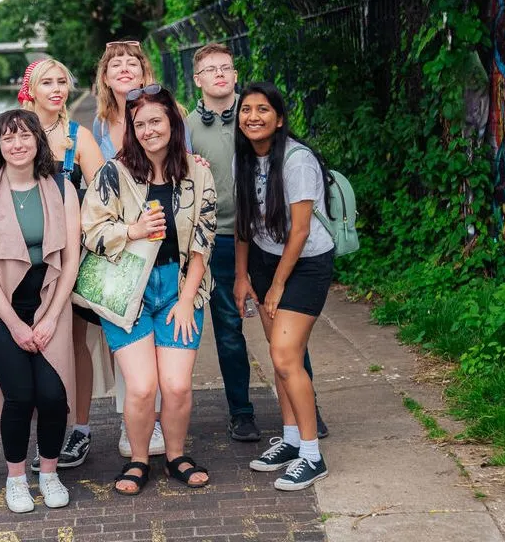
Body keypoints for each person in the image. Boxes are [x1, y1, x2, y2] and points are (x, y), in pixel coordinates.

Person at [81, 84, 218, 495]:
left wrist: (187, 299)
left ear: (173, 123)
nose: (148, 130)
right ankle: (139, 459)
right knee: (142, 387)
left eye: (156, 121)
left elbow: (203, 241)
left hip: (179, 285)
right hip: (129, 292)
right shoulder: (114, 173)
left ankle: (176, 455)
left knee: (176, 385)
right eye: (140, 124)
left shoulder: (198, 171)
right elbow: (91, 231)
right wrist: (133, 230)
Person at [189, 43, 328, 441]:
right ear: (197, 79)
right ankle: (242, 413)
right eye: (210, 69)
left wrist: (279, 278)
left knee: (287, 334)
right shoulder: (187, 126)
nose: (219, 74)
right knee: (230, 329)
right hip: (223, 239)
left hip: (278, 248)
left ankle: (308, 412)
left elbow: (299, 227)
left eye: (226, 68)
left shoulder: (259, 121)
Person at [0, 109, 81, 513]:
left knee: (52, 395)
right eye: (8, 138)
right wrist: (15, 325)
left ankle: (48, 473)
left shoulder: (62, 189)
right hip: (0, 309)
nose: (17, 144)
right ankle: (16, 479)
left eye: (25, 136)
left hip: (50, 300)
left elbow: (71, 260)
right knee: (21, 394)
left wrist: (49, 318)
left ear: (38, 141)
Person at [232, 82, 335, 491]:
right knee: (279, 359)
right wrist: (242, 276)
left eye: (262, 110)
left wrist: (276, 286)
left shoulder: (297, 160)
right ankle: (291, 441)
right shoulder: (245, 158)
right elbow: (244, 223)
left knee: (286, 355)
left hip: (305, 263)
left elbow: (301, 231)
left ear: (279, 119)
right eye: (246, 110)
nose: (252, 117)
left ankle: (312, 455)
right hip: (263, 259)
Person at [18, 59, 109, 470]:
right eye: (47, 83)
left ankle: (81, 431)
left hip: (71, 258)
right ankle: (46, 433)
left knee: (73, 345)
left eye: (62, 83)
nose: (57, 90)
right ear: (30, 90)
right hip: (25, 263)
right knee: (33, 348)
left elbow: (106, 196)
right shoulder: (15, 133)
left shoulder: (78, 137)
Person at [91, 40, 167, 458]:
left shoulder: (165, 110)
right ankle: (131, 421)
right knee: (124, 331)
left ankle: (156, 422)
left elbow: (182, 160)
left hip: (157, 234)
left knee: (159, 338)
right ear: (105, 77)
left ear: (144, 71)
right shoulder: (102, 125)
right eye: (115, 63)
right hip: (121, 240)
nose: (123, 69)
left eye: (131, 62)